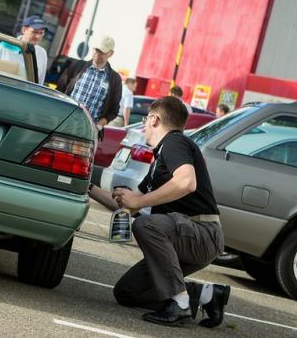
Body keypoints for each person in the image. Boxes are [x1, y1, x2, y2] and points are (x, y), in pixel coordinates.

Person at [90, 96, 231, 328]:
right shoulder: (160, 158)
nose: (144, 125)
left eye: (146, 119)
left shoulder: (175, 142)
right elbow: (130, 204)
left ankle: (180, 303)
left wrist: (140, 200)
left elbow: (187, 182)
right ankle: (206, 295)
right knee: (127, 292)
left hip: (203, 233)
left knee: (145, 225)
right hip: (184, 235)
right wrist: (87, 187)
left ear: (154, 119)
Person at [56, 35, 122, 126]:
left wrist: (98, 126)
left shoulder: (115, 79)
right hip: (63, 122)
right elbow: (59, 91)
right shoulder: (77, 66)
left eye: (102, 51)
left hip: (88, 130)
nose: (97, 53)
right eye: (96, 49)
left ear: (110, 54)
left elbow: (114, 110)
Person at [0, 15, 48, 84]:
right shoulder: (3, 47)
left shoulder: (42, 53)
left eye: (41, 33)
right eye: (35, 32)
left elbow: (39, 83)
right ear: (24, 30)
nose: (38, 36)